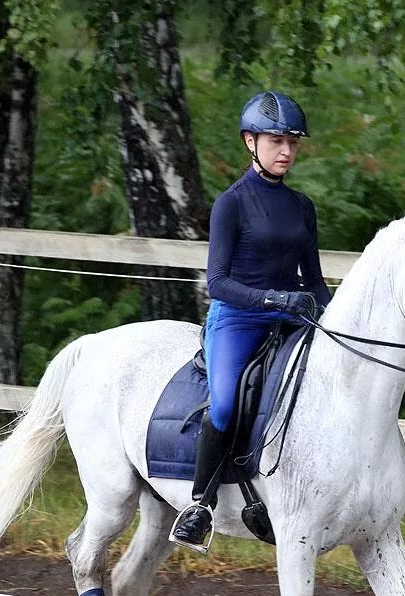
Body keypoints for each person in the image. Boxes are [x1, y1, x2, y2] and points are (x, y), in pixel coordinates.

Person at [170, 90, 333, 548]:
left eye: (293, 143)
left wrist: (333, 319)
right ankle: (199, 504)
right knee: (223, 404)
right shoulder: (232, 203)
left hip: (290, 318)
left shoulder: (302, 206)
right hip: (238, 320)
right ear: (250, 142)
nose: (286, 151)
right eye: (276, 141)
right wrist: (274, 299)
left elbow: (316, 282)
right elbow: (217, 282)